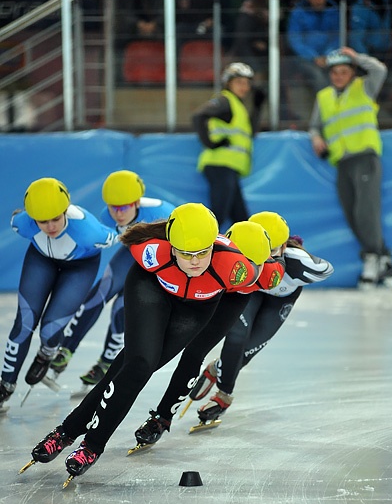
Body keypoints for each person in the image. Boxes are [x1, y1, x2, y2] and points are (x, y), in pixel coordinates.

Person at [21, 204, 282, 484]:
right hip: (151, 289)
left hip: (196, 308)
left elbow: (263, 283)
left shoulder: (238, 270)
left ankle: (68, 432)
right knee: (139, 364)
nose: (194, 261)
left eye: (202, 253)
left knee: (130, 369)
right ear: (171, 246)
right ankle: (91, 444)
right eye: (185, 253)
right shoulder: (151, 251)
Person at [131, 214, 288, 449]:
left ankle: (162, 418)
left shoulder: (270, 273)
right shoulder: (219, 251)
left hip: (230, 301)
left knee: (195, 352)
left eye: (252, 265)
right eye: (240, 263)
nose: (242, 271)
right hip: (208, 292)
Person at [190, 213, 334, 427]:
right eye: (260, 253)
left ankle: (217, 368)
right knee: (236, 339)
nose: (267, 262)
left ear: (284, 247)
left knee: (246, 353)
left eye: (273, 252)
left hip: (278, 301)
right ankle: (224, 396)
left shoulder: (300, 263)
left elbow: (326, 270)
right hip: (251, 291)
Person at [0, 178, 119, 409]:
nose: (51, 226)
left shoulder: (89, 231)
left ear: (65, 210)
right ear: (32, 218)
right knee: (23, 323)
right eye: (42, 222)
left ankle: (47, 353)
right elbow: (18, 216)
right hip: (40, 260)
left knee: (51, 329)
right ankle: (5, 385)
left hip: (79, 268)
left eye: (56, 218)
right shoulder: (22, 224)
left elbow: (118, 234)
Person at [49, 170, 175, 388]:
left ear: (136, 202)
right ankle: (66, 349)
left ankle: (106, 361)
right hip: (131, 254)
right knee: (99, 293)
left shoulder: (162, 212)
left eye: (124, 207)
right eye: (113, 207)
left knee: (121, 308)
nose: (118, 213)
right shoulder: (106, 216)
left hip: (156, 263)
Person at [309, 46, 392, 289]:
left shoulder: (364, 88)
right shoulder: (324, 97)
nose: (338, 76)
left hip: (365, 156)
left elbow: (379, 69)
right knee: (351, 213)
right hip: (342, 161)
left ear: (352, 73)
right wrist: (316, 137)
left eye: (344, 71)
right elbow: (315, 125)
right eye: (334, 72)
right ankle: (385, 261)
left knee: (365, 212)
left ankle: (372, 258)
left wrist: (356, 57)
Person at [192, 61, 266, 230]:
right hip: (220, 165)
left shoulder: (238, 106)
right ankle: (198, 250)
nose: (244, 87)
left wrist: (257, 106)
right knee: (218, 215)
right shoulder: (224, 100)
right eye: (239, 82)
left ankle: (247, 254)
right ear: (228, 83)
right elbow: (198, 116)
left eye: (247, 83)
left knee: (241, 219)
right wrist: (210, 143)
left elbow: (250, 133)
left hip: (230, 167)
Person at [286, 0, 340, 94]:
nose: (319, 1)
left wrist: (327, 55)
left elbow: (337, 37)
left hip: (330, 56)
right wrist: (313, 57)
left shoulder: (334, 11)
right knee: (318, 76)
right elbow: (295, 40)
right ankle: (326, 107)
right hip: (305, 58)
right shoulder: (298, 13)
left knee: (340, 73)